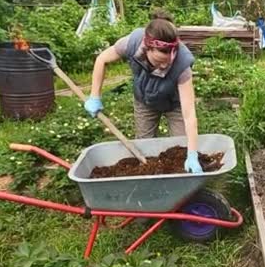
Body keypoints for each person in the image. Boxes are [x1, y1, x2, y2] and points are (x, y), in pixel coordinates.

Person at [85, 9, 203, 173]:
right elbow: (101, 59)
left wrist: (192, 153)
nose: (164, 66)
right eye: (159, 61)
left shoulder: (182, 63)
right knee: (144, 146)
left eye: (168, 61)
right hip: (145, 101)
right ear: (147, 48)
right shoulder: (132, 42)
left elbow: (189, 114)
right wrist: (94, 95)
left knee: (181, 148)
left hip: (174, 104)